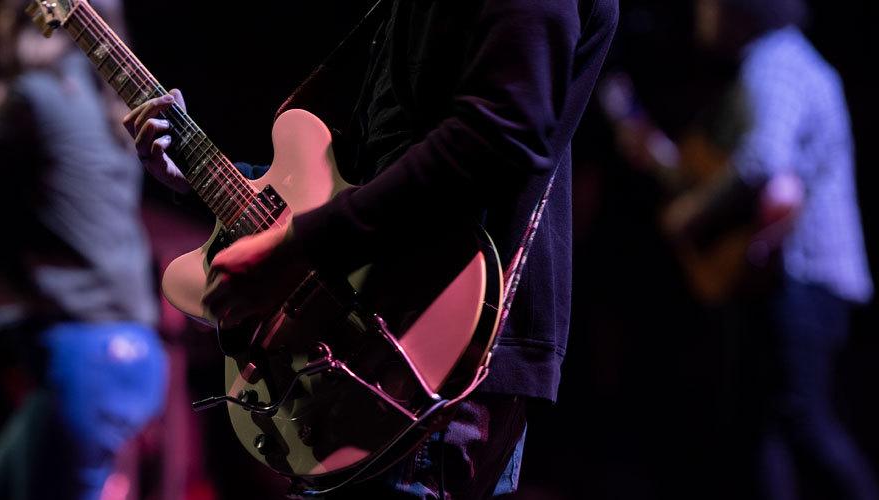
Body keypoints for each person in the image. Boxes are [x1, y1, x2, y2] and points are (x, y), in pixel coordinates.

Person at [125, 0, 616, 497]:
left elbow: (499, 135)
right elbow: (368, 175)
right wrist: (211, 178)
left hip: (426, 354)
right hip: (378, 344)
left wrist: (298, 247)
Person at [611, 0, 876, 497]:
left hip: (798, 273)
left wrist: (691, 213)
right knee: (761, 430)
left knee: (800, 422)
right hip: (793, 273)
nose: (699, 12)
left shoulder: (773, 62)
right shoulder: (787, 58)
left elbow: (764, 161)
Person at [0, 1, 167, 498]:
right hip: (130, 353)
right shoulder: (110, 111)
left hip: (86, 362)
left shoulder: (34, 97)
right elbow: (73, 222)